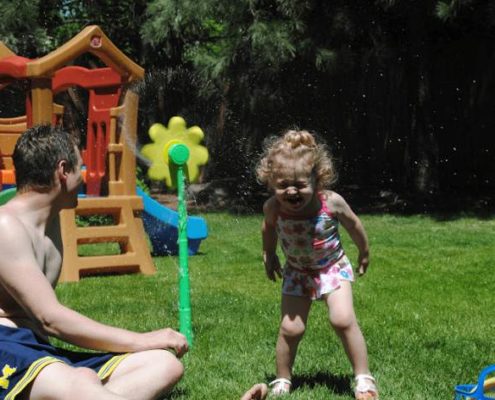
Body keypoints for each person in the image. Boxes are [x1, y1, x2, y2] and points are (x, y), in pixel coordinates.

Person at [0, 125, 188, 400]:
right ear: (64, 171)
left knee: (163, 364)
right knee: (82, 380)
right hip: (7, 348)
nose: (85, 176)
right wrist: (142, 338)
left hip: (40, 353)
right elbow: (50, 318)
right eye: (81, 167)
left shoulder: (51, 222)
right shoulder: (6, 225)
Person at [256, 130, 379, 399]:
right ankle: (283, 378)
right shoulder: (273, 208)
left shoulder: (330, 202)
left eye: (300, 184)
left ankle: (363, 376)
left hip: (332, 268)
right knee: (291, 328)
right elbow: (268, 229)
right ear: (271, 182)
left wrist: (364, 251)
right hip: (298, 272)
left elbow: (354, 224)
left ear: (317, 179)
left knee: (342, 319)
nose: (291, 191)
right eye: (283, 184)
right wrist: (269, 253)